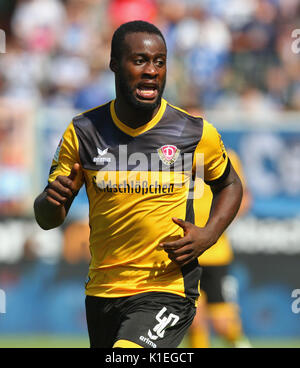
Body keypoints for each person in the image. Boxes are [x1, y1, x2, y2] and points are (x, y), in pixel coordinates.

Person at [33, 20, 243, 348]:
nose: (151, 70)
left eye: (159, 62)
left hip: (168, 288)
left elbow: (230, 184)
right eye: (140, 60)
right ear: (115, 64)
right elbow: (48, 218)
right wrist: (50, 201)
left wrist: (209, 234)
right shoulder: (83, 131)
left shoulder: (194, 132)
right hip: (103, 291)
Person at [187, 148, 252, 348]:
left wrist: (216, 225)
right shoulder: (169, 156)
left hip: (216, 254)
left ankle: (241, 344)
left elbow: (244, 199)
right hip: (185, 254)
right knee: (194, 320)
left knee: (223, 323)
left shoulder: (226, 156)